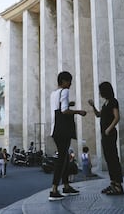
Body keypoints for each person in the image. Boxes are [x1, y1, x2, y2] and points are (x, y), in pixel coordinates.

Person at [49, 71, 86, 201]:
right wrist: (78, 111)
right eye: (69, 81)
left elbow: (58, 108)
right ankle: (54, 189)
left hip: (55, 129)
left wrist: (69, 105)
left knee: (63, 158)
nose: (70, 84)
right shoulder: (64, 92)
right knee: (62, 159)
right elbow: (64, 111)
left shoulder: (53, 94)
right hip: (63, 130)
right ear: (64, 81)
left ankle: (65, 185)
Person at [88, 81, 124, 195]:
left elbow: (117, 117)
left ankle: (118, 185)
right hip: (105, 135)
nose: (99, 93)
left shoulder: (113, 102)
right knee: (108, 159)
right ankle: (113, 183)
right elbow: (99, 115)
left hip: (110, 134)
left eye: (100, 91)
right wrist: (93, 106)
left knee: (113, 158)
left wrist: (109, 129)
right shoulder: (105, 103)